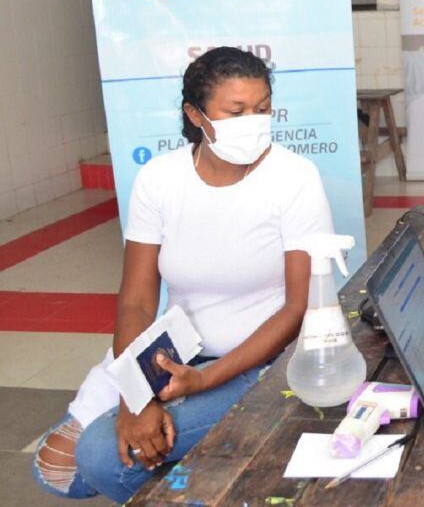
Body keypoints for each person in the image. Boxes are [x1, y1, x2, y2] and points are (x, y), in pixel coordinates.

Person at [32, 47, 334, 504]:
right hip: (172, 354)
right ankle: (208, 463)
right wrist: (137, 396)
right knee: (58, 472)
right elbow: (136, 301)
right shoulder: (159, 179)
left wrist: (204, 383)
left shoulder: (294, 177)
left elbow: (297, 308)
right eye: (236, 112)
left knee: (100, 458)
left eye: (262, 109)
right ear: (196, 115)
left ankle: (205, 474)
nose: (253, 122)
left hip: (259, 362)